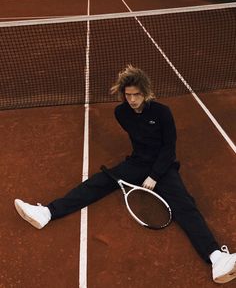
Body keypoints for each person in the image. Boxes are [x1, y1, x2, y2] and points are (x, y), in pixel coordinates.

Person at [14, 65, 236, 284]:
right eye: (128, 95)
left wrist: (155, 176)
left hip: (163, 166)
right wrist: (140, 168)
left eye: (136, 94)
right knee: (97, 183)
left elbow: (169, 149)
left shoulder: (162, 113)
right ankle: (47, 213)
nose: (131, 100)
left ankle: (217, 258)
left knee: (185, 204)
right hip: (137, 163)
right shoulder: (121, 113)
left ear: (146, 92)